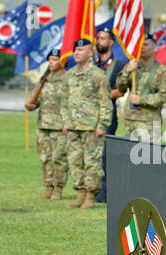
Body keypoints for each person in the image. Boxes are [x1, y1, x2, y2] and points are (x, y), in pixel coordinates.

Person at [61, 39, 113, 209]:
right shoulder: (69, 75)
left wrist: (102, 125)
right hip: (73, 127)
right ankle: (80, 193)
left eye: (81, 50)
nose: (76, 53)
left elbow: (106, 103)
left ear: (90, 53)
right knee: (75, 161)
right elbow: (64, 102)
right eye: (75, 50)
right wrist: (66, 122)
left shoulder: (99, 75)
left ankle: (90, 196)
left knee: (92, 162)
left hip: (92, 127)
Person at [25, 49, 68, 201]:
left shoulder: (67, 79)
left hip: (60, 126)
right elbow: (36, 101)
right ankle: (48, 186)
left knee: (59, 158)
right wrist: (31, 105)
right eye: (49, 59)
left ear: (62, 61)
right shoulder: (44, 79)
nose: (51, 62)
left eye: (55, 59)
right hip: (43, 125)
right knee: (45, 158)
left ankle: (58, 188)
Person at [116, 33, 166, 142]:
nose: (142, 47)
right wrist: (127, 71)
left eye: (145, 44)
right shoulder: (133, 67)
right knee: (127, 154)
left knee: (148, 156)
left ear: (155, 48)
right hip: (130, 120)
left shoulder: (162, 71)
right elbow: (120, 86)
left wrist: (141, 100)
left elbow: (164, 96)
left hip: (149, 122)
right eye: (140, 44)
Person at [94, 28, 125, 203]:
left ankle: (105, 191)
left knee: (105, 154)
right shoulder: (93, 65)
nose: (99, 41)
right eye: (98, 38)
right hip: (90, 116)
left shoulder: (118, 65)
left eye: (103, 38)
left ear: (111, 42)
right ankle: (91, 188)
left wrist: (99, 96)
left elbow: (120, 91)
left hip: (107, 115)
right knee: (91, 153)